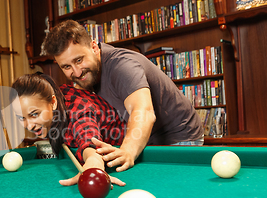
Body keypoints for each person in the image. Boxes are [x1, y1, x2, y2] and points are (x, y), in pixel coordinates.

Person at [42, 19, 203, 173]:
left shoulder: (122, 66)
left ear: (94, 47)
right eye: (66, 66)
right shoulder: (85, 77)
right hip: (148, 140)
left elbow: (143, 111)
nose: (76, 72)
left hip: (180, 138)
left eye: (79, 60)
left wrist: (128, 150)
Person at [11, 73, 126, 187]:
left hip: (127, 151)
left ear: (53, 102)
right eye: (21, 117)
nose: (30, 126)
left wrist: (94, 163)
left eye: (34, 114)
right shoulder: (50, 94)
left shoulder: (79, 111)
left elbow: (88, 139)